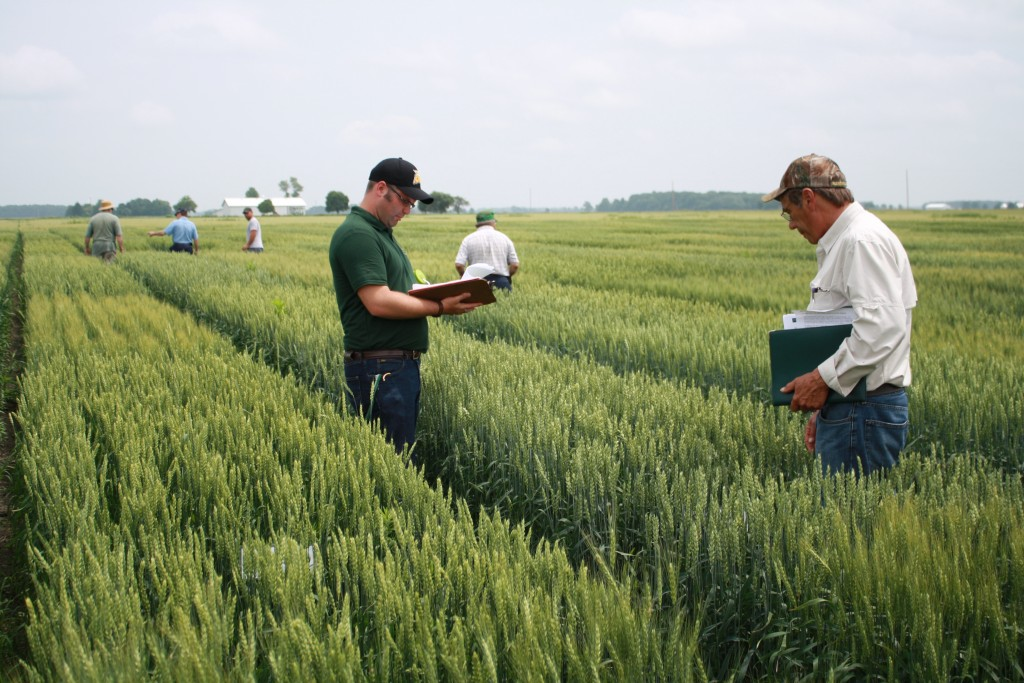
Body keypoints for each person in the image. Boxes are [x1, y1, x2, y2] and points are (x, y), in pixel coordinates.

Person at [764, 153, 917, 476]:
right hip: (852, 407)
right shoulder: (847, 241)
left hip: (863, 411)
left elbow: (880, 329)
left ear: (809, 197)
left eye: (789, 213)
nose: (791, 224)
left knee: (848, 521)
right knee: (842, 518)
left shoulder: (861, 241)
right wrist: (826, 406)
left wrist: (821, 381)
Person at [329, 158, 482, 455]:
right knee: (390, 462)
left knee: (398, 458)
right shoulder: (358, 234)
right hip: (380, 369)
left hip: (393, 367)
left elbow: (396, 292)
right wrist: (439, 307)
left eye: (412, 204)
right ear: (381, 188)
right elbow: (378, 301)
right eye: (405, 201)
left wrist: (439, 292)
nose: (407, 211)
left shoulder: (380, 234)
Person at [455, 210, 520, 291]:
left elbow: (459, 265)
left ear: (477, 224)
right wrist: (507, 277)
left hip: (476, 283)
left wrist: (464, 276)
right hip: (501, 282)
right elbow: (515, 265)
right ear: (493, 223)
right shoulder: (505, 239)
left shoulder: (468, 239)